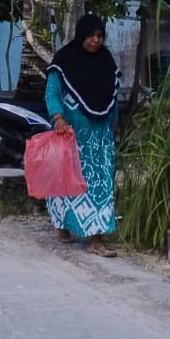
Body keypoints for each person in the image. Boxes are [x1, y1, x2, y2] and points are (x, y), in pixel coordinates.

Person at [44, 14, 122, 257]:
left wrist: (115, 121)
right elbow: (52, 92)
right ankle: (64, 224)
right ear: (81, 36)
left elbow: (112, 97)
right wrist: (58, 118)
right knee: (67, 178)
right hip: (70, 134)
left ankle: (96, 237)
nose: (96, 41)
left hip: (100, 136)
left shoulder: (106, 61)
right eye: (91, 36)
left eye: (100, 36)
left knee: (99, 183)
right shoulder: (65, 60)